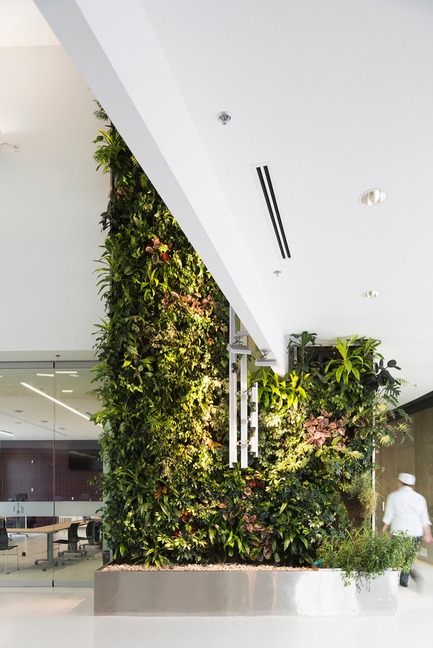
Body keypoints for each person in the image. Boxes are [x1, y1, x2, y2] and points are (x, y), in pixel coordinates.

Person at [382, 472, 433, 587]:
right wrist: (428, 534)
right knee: (410, 556)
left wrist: (384, 529)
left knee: (397, 555)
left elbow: (389, 515)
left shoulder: (393, 496)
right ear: (412, 485)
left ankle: (407, 575)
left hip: (398, 531)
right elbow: (424, 519)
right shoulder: (420, 498)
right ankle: (405, 579)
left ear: (400, 483)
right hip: (415, 531)